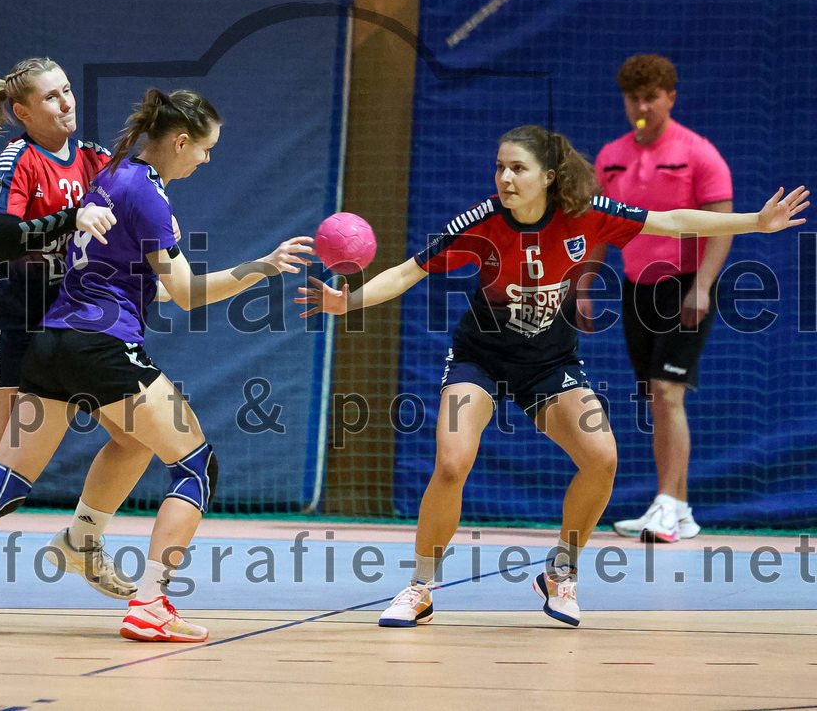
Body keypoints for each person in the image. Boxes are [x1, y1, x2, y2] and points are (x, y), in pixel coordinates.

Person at [0, 87, 314, 641]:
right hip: (102, 346)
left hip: (53, 344)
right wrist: (263, 267)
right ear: (181, 141)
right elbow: (184, 293)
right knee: (195, 465)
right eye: (205, 148)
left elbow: (140, 280)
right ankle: (151, 603)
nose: (206, 159)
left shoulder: (110, 175)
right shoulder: (146, 193)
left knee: (5, 481)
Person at [297, 124, 807, 628]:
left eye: (518, 168)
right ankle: (420, 587)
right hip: (480, 359)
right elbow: (408, 271)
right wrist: (349, 301)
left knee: (602, 458)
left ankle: (561, 571)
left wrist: (754, 223)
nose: (505, 177)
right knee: (451, 463)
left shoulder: (588, 216)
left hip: (550, 365)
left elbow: (671, 220)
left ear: (548, 176)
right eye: (500, 166)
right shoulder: (482, 221)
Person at [0, 57, 154, 634]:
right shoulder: (17, 160)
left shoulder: (94, 159)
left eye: (68, 91)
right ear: (22, 112)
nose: (66, 103)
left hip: (71, 324)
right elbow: (4, 237)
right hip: (13, 319)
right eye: (51, 97)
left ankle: (83, 539)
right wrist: (73, 218)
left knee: (134, 438)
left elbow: (136, 190)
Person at [577, 54, 733, 543]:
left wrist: (703, 286)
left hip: (685, 284)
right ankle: (678, 510)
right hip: (635, 286)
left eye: (652, 97)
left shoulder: (698, 153)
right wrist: (583, 282)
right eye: (634, 98)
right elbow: (600, 228)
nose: (642, 106)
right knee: (656, 398)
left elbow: (723, 225)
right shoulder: (610, 156)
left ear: (671, 96)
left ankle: (666, 505)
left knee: (668, 393)